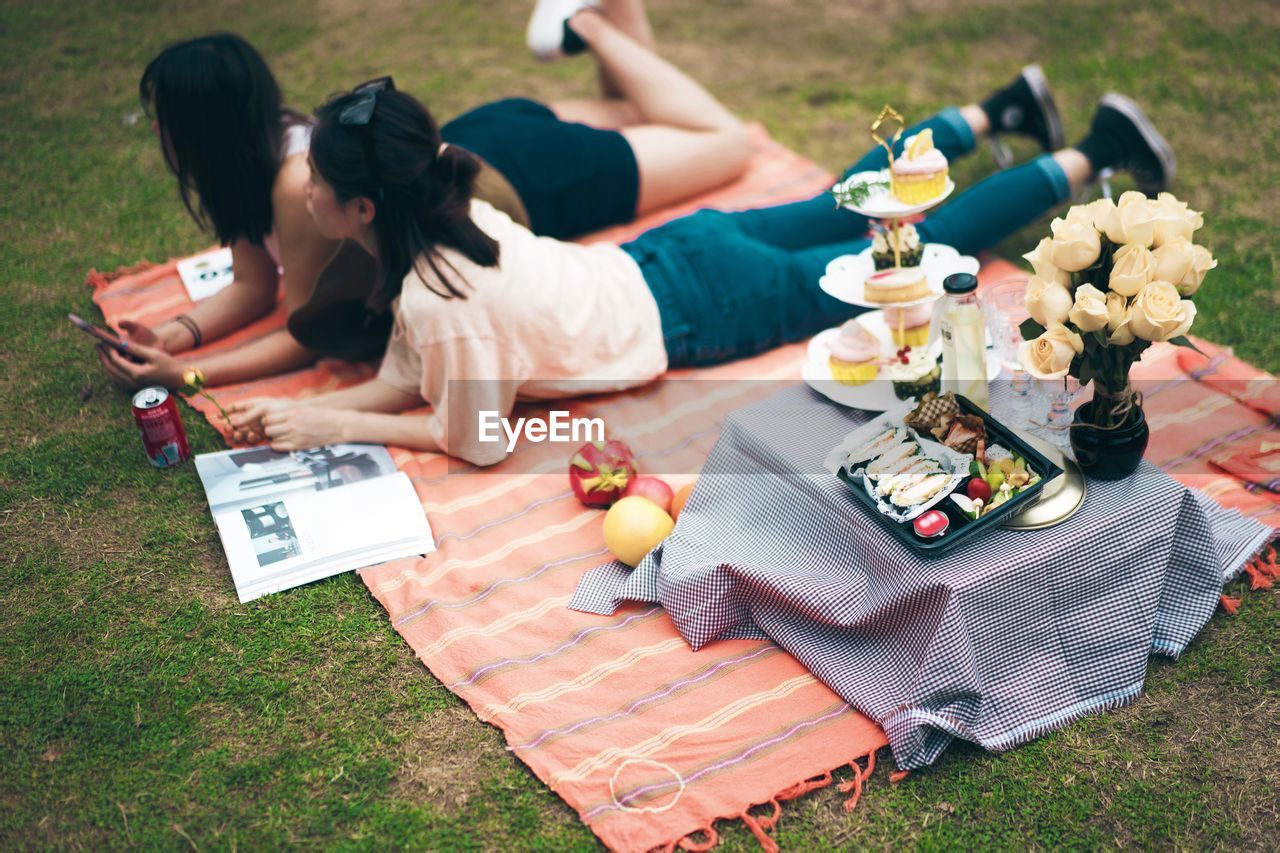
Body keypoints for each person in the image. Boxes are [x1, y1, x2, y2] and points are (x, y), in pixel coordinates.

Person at [224, 45, 1174, 467]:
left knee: (920, 253)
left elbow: (472, 439)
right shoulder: (447, 205)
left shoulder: (439, 297)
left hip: (702, 307)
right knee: (844, 204)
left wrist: (338, 425)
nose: (300, 195)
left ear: (360, 208)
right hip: (679, 251)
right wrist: (295, 411)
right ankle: (999, 111)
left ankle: (1093, 150)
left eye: (313, 185)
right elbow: (405, 374)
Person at [98, 0, 755, 390]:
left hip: (526, 176)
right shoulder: (255, 154)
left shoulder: (296, 183)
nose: (156, 130)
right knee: (631, 107)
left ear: (207, 129)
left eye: (168, 119)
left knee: (727, 142)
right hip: (474, 141)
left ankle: (584, 17)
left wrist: (185, 377)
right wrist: (171, 336)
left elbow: (307, 333)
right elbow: (251, 286)